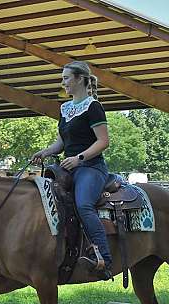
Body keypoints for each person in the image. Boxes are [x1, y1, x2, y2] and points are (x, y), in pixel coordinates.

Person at [32, 60, 112, 280]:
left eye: (66, 78)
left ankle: (104, 259)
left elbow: (103, 141)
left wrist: (79, 158)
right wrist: (45, 152)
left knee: (84, 205)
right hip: (68, 167)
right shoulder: (65, 108)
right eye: (63, 78)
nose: (63, 82)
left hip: (91, 167)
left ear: (79, 79)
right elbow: (61, 143)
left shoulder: (93, 106)